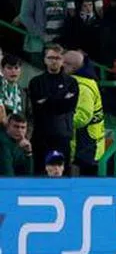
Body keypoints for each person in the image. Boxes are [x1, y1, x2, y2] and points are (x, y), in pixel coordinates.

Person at [28, 44, 79, 175]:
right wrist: (61, 97)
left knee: (62, 175)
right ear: (45, 60)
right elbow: (37, 107)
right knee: (40, 174)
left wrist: (47, 100)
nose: (54, 61)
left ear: (62, 61)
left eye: (57, 58)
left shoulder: (71, 82)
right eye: (50, 57)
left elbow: (69, 106)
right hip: (41, 136)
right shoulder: (36, 82)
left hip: (63, 136)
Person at [62, 50, 105, 176]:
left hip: (86, 146)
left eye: (63, 64)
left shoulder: (83, 87)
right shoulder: (84, 81)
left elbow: (82, 118)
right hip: (85, 144)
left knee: (82, 184)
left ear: (72, 67)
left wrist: (57, 119)